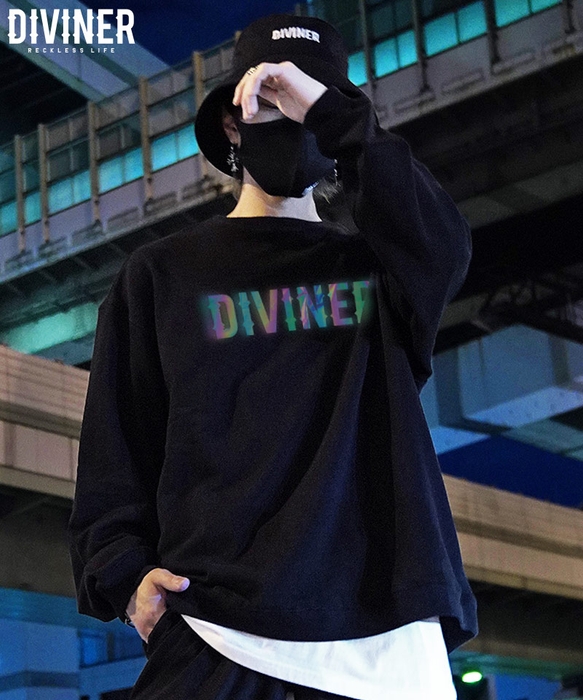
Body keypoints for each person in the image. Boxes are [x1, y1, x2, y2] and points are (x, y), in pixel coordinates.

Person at [68, 12, 478, 700]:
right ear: (231, 125)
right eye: (269, 101)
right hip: (213, 627)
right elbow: (117, 448)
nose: (291, 120)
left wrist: (332, 115)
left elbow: (446, 245)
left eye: (307, 103)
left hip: (383, 637)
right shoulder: (161, 275)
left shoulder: (382, 269)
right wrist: (123, 572)